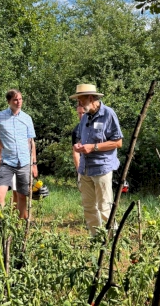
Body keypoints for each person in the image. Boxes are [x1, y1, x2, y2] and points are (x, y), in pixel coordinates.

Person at [70, 84, 123, 236]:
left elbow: (118, 142)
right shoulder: (85, 117)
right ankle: (97, 239)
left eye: (81, 101)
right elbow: (81, 138)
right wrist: (79, 146)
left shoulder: (108, 114)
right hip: (85, 168)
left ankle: (113, 241)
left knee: (105, 207)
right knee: (89, 208)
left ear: (91, 98)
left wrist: (93, 147)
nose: (78, 105)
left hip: (102, 168)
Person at [0, 89, 37, 219]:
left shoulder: (27, 118)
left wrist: (34, 164)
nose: (18, 102)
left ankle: (20, 223)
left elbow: (31, 142)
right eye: (15, 100)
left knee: (22, 195)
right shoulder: (0, 116)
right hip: (7, 162)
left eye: (20, 99)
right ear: (9, 101)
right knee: (0, 194)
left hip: (24, 162)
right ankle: (2, 222)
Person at [0, 141, 18, 205]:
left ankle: (14, 213)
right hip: (5, 166)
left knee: (16, 193)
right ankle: (0, 213)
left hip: (19, 167)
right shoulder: (2, 138)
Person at [72, 104, 85, 172]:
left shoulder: (96, 125)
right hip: (84, 166)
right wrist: (79, 171)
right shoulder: (76, 130)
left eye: (83, 113)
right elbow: (75, 152)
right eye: (79, 113)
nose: (82, 116)